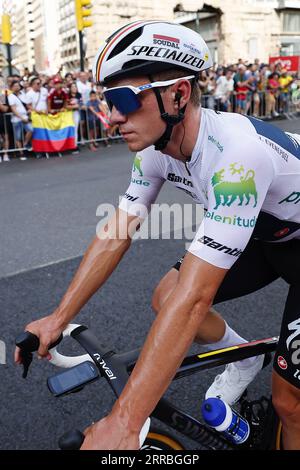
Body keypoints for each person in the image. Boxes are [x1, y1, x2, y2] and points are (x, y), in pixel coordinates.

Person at [15, 21, 300, 450]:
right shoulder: (154, 150)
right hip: (272, 235)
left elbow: (195, 300)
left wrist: (125, 422)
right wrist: (58, 317)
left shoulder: (237, 157)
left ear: (178, 94)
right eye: (107, 101)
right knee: (166, 295)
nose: (112, 117)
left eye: (124, 101)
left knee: (289, 403)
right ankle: (247, 359)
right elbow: (116, 231)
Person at [8, 80, 33, 160]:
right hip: (16, 119)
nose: (17, 87)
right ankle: (21, 153)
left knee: (31, 130)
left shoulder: (23, 94)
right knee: (18, 137)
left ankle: (25, 144)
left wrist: (29, 110)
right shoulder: (10, 96)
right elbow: (13, 109)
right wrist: (21, 118)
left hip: (25, 116)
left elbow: (27, 104)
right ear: (11, 88)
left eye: (18, 85)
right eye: (15, 86)